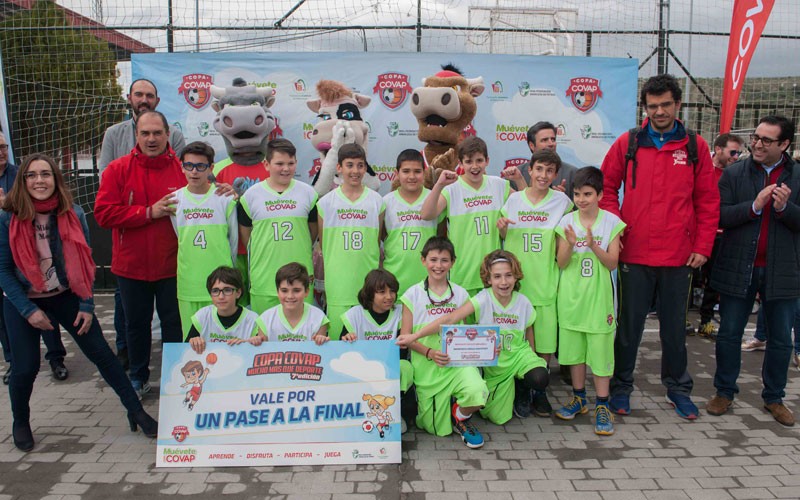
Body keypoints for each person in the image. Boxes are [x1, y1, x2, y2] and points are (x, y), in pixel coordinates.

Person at [0, 154, 157, 451]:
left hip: (65, 295)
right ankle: (20, 421)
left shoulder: (73, 213)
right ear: (23, 181)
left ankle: (136, 411)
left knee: (102, 354)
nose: (39, 181)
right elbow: (3, 270)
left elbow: (84, 262)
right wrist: (29, 310)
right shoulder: (7, 218)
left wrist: (86, 305)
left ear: (56, 180)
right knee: (25, 367)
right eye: (31, 175)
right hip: (22, 299)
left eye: (45, 174)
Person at [600, 74, 719, 419]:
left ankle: (678, 389)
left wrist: (702, 246)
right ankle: (621, 388)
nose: (660, 111)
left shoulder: (695, 147)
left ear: (678, 104)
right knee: (628, 328)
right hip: (634, 254)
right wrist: (615, 228)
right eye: (653, 106)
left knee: (674, 331)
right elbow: (607, 187)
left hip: (678, 256)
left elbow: (708, 202)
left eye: (666, 104)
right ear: (645, 108)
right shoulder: (629, 143)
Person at [706, 115, 800, 427]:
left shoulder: (798, 176)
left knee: (781, 340)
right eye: (756, 137)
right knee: (730, 334)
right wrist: (755, 206)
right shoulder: (734, 173)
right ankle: (724, 392)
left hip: (783, 270)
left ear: (784, 144)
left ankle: (774, 397)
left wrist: (785, 210)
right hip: (738, 267)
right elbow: (719, 215)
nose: (757, 144)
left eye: (766, 140)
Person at [94, 110, 190, 399]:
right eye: (145, 133)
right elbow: (103, 213)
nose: (151, 139)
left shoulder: (184, 169)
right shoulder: (118, 169)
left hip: (172, 266)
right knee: (136, 326)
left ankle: (176, 379)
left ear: (167, 135)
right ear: (136, 135)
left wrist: (222, 189)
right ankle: (138, 376)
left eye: (157, 133)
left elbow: (206, 196)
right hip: (131, 267)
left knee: (174, 325)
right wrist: (148, 212)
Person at [399, 249, 549, 427]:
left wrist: (532, 356)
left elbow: (528, 330)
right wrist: (416, 336)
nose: (503, 282)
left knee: (539, 377)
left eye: (508, 275)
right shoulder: (482, 299)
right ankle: (502, 392)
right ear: (488, 279)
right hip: (496, 364)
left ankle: (523, 386)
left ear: (516, 276)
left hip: (518, 355)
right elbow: (451, 319)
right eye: (497, 276)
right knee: (496, 418)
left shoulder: (523, 301)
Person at [498, 149, 573, 417]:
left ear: (555, 174)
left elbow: (566, 242)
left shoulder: (563, 202)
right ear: (530, 170)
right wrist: (503, 227)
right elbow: (503, 234)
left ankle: (539, 392)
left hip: (545, 285)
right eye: (539, 169)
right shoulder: (513, 199)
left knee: (543, 346)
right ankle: (520, 389)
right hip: (516, 288)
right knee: (517, 342)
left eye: (549, 171)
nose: (543, 175)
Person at [395, 236, 488, 449]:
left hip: (456, 363)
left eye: (444, 260)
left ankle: (460, 414)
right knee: (436, 430)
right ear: (423, 261)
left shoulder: (461, 293)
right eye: (433, 259)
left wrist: (486, 346)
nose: (438, 265)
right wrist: (429, 352)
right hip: (427, 364)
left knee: (478, 391)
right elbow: (406, 336)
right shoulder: (412, 294)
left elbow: (467, 332)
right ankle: (444, 409)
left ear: (453, 262)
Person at [553, 167, 625, 436]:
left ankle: (602, 406)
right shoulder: (566, 222)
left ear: (600, 195)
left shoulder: (611, 222)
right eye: (577, 194)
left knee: (601, 353)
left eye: (587, 194)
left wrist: (594, 245)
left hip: (599, 301)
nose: (582, 199)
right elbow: (561, 263)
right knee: (574, 354)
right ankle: (579, 398)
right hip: (571, 299)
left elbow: (612, 263)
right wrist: (571, 244)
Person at [0, 134, 68, 384]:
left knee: (47, 314)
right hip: (8, 265)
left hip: (37, 272)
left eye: (4, 147)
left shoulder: (20, 174)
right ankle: (13, 363)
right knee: (9, 319)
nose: (1, 152)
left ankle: (56, 358)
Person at [420, 137, 512, 296]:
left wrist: (519, 180)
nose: (475, 166)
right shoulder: (452, 189)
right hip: (463, 275)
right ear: (460, 163)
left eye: (479, 160)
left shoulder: (499, 185)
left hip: (492, 275)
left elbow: (525, 202)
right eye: (469, 161)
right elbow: (426, 214)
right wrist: (439, 185)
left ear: (487, 161)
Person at [239, 139, 317, 314]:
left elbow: (312, 231)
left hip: (300, 281)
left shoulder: (309, 193)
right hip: (264, 279)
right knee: (264, 337)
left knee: (302, 335)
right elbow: (246, 236)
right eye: (279, 163)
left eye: (291, 163)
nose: (286, 168)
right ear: (266, 164)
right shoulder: (251, 196)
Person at [171, 142, 238, 338]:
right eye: (189, 166)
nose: (194, 171)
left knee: (223, 340)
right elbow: (179, 238)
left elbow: (232, 243)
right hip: (189, 283)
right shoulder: (174, 200)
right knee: (192, 342)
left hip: (221, 284)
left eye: (201, 166)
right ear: (182, 167)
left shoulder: (224, 198)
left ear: (211, 168)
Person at [317, 144, 383, 339]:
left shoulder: (377, 201)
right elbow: (323, 243)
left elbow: (377, 240)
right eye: (350, 165)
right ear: (339, 168)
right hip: (338, 285)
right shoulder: (325, 203)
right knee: (339, 344)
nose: (355, 171)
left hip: (367, 283)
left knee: (367, 345)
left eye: (360, 165)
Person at [341, 268, 414, 433]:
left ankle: (395, 412)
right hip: (363, 369)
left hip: (390, 367)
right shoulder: (354, 315)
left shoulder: (401, 313)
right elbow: (343, 348)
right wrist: (347, 339)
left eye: (392, 291)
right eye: (382, 292)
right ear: (369, 293)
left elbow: (402, 352)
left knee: (405, 367)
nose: (389, 296)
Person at [697, 133, 744, 338]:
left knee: (716, 281)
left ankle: (707, 321)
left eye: (739, 153)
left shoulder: (737, 175)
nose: (736, 156)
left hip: (726, 236)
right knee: (689, 279)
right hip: (702, 235)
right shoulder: (703, 170)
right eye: (733, 152)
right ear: (718, 149)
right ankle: (680, 320)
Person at [382, 149, 439, 296]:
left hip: (429, 279)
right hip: (395, 279)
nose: (412, 176)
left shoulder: (434, 198)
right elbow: (381, 238)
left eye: (417, 171)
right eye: (406, 171)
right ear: (397, 173)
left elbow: (442, 235)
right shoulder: (386, 202)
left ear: (424, 172)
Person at [186, 266, 265, 354]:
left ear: (238, 293)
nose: (221, 296)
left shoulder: (252, 320)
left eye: (227, 290)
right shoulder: (202, 316)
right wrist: (193, 342)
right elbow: (185, 350)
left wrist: (253, 343)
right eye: (215, 291)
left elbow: (262, 354)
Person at [259, 262, 329, 344]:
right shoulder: (265, 319)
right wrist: (255, 342)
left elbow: (320, 353)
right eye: (284, 290)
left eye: (296, 290)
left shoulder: (319, 318)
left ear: (306, 291)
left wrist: (321, 341)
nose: (290, 296)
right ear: (277, 292)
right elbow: (261, 353)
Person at [515, 121, 580, 198]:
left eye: (553, 139)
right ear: (532, 145)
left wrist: (563, 200)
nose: (551, 144)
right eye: (544, 140)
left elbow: (581, 208)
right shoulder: (517, 174)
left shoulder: (572, 173)